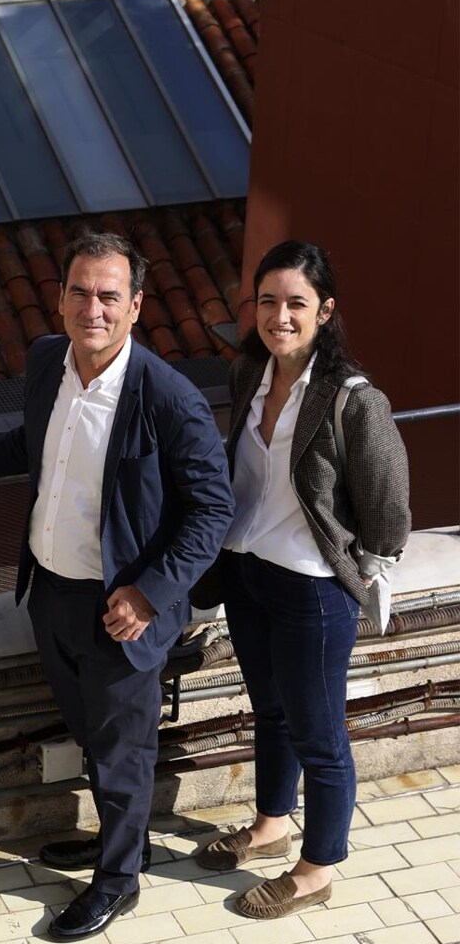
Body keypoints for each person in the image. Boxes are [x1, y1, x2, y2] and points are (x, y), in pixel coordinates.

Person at [0, 232, 234, 942]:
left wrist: (149, 594)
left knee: (121, 752)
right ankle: (128, 841)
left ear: (136, 305)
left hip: (123, 610)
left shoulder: (169, 398)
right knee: (91, 735)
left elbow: (213, 511)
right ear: (59, 298)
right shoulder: (47, 358)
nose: (93, 308)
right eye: (79, 292)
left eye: (109, 295)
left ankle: (118, 883)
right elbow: (31, 439)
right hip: (51, 592)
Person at [194, 241, 410, 919]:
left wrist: (358, 564)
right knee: (273, 715)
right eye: (267, 301)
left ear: (325, 311)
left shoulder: (354, 400)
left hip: (314, 589)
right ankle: (270, 824)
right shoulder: (248, 377)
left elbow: (390, 510)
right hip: (250, 574)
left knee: (319, 733)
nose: (279, 316)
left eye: (295, 303)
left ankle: (318, 868)